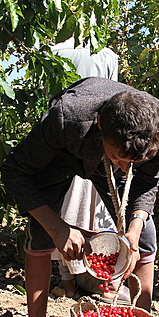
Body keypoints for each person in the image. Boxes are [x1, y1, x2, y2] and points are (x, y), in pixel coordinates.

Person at [0, 77, 159, 317]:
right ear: (99, 125)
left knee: (145, 239)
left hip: (118, 148)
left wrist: (132, 231)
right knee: (41, 234)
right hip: (61, 156)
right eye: (119, 158)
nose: (125, 168)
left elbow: (148, 182)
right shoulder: (67, 118)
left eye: (134, 161)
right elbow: (15, 172)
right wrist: (57, 227)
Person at [51, 38, 118, 297]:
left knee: (66, 210)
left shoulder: (55, 52)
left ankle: (67, 280)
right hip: (100, 144)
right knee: (97, 210)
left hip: (63, 142)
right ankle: (102, 280)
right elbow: (114, 100)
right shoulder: (108, 55)